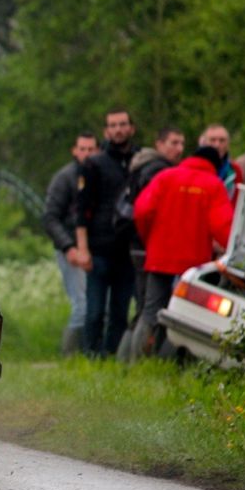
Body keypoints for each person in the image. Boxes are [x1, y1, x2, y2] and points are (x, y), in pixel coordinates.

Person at [132, 146, 234, 356]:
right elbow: (223, 225)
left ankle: (139, 360)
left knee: (151, 311)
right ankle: (177, 360)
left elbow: (142, 211)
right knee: (188, 313)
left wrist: (148, 239)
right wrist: (232, 250)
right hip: (194, 262)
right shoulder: (213, 185)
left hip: (160, 257)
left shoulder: (165, 177)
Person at [74, 107, 139, 357]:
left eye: (123, 124)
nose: (118, 129)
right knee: (95, 310)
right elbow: (81, 209)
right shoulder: (94, 164)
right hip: (99, 247)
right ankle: (91, 355)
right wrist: (82, 249)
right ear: (106, 131)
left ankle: (112, 356)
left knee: (120, 311)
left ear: (131, 128)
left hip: (127, 248)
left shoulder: (140, 161)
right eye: (113, 125)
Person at [122, 127, 185, 358]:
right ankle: (137, 361)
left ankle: (129, 359)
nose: (179, 149)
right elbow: (145, 211)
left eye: (181, 143)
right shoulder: (158, 171)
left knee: (144, 308)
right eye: (173, 142)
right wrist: (151, 236)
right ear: (159, 144)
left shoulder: (143, 164)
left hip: (141, 245)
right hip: (149, 247)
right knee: (149, 309)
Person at [43, 132, 98, 354]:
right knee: (81, 305)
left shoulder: (100, 175)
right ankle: (70, 355)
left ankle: (90, 352)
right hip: (71, 250)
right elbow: (50, 217)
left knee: (94, 305)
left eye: (91, 149)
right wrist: (68, 247)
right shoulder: (64, 178)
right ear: (74, 150)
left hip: (95, 249)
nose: (86, 153)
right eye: (82, 148)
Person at [200, 124, 243, 201]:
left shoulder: (235, 170)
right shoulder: (196, 168)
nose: (217, 145)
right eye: (212, 140)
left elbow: (237, 200)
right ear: (204, 143)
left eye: (222, 140)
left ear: (228, 144)